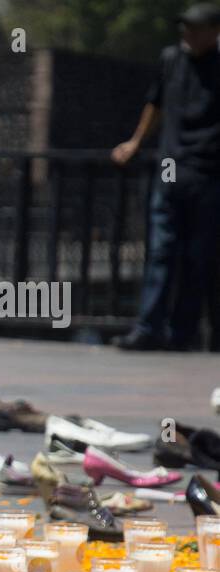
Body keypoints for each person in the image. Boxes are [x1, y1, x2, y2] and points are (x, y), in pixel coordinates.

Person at [112, 2, 220, 352]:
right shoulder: (171, 59)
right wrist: (135, 141)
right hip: (171, 167)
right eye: (185, 27)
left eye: (196, 28)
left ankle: (181, 333)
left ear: (214, 31)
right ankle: (148, 327)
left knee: (196, 255)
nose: (187, 33)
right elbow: (154, 103)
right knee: (160, 250)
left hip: (207, 171)